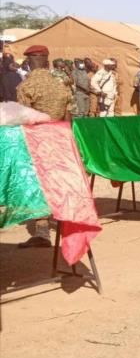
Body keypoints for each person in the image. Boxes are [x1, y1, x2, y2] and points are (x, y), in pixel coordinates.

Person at [15, 45, 72, 248]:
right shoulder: (61, 85)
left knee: (38, 184)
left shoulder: (26, 87)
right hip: (60, 139)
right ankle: (64, 221)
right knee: (57, 180)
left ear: (29, 62)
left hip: (38, 142)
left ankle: (42, 231)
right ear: (47, 61)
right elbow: (68, 117)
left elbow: (26, 119)